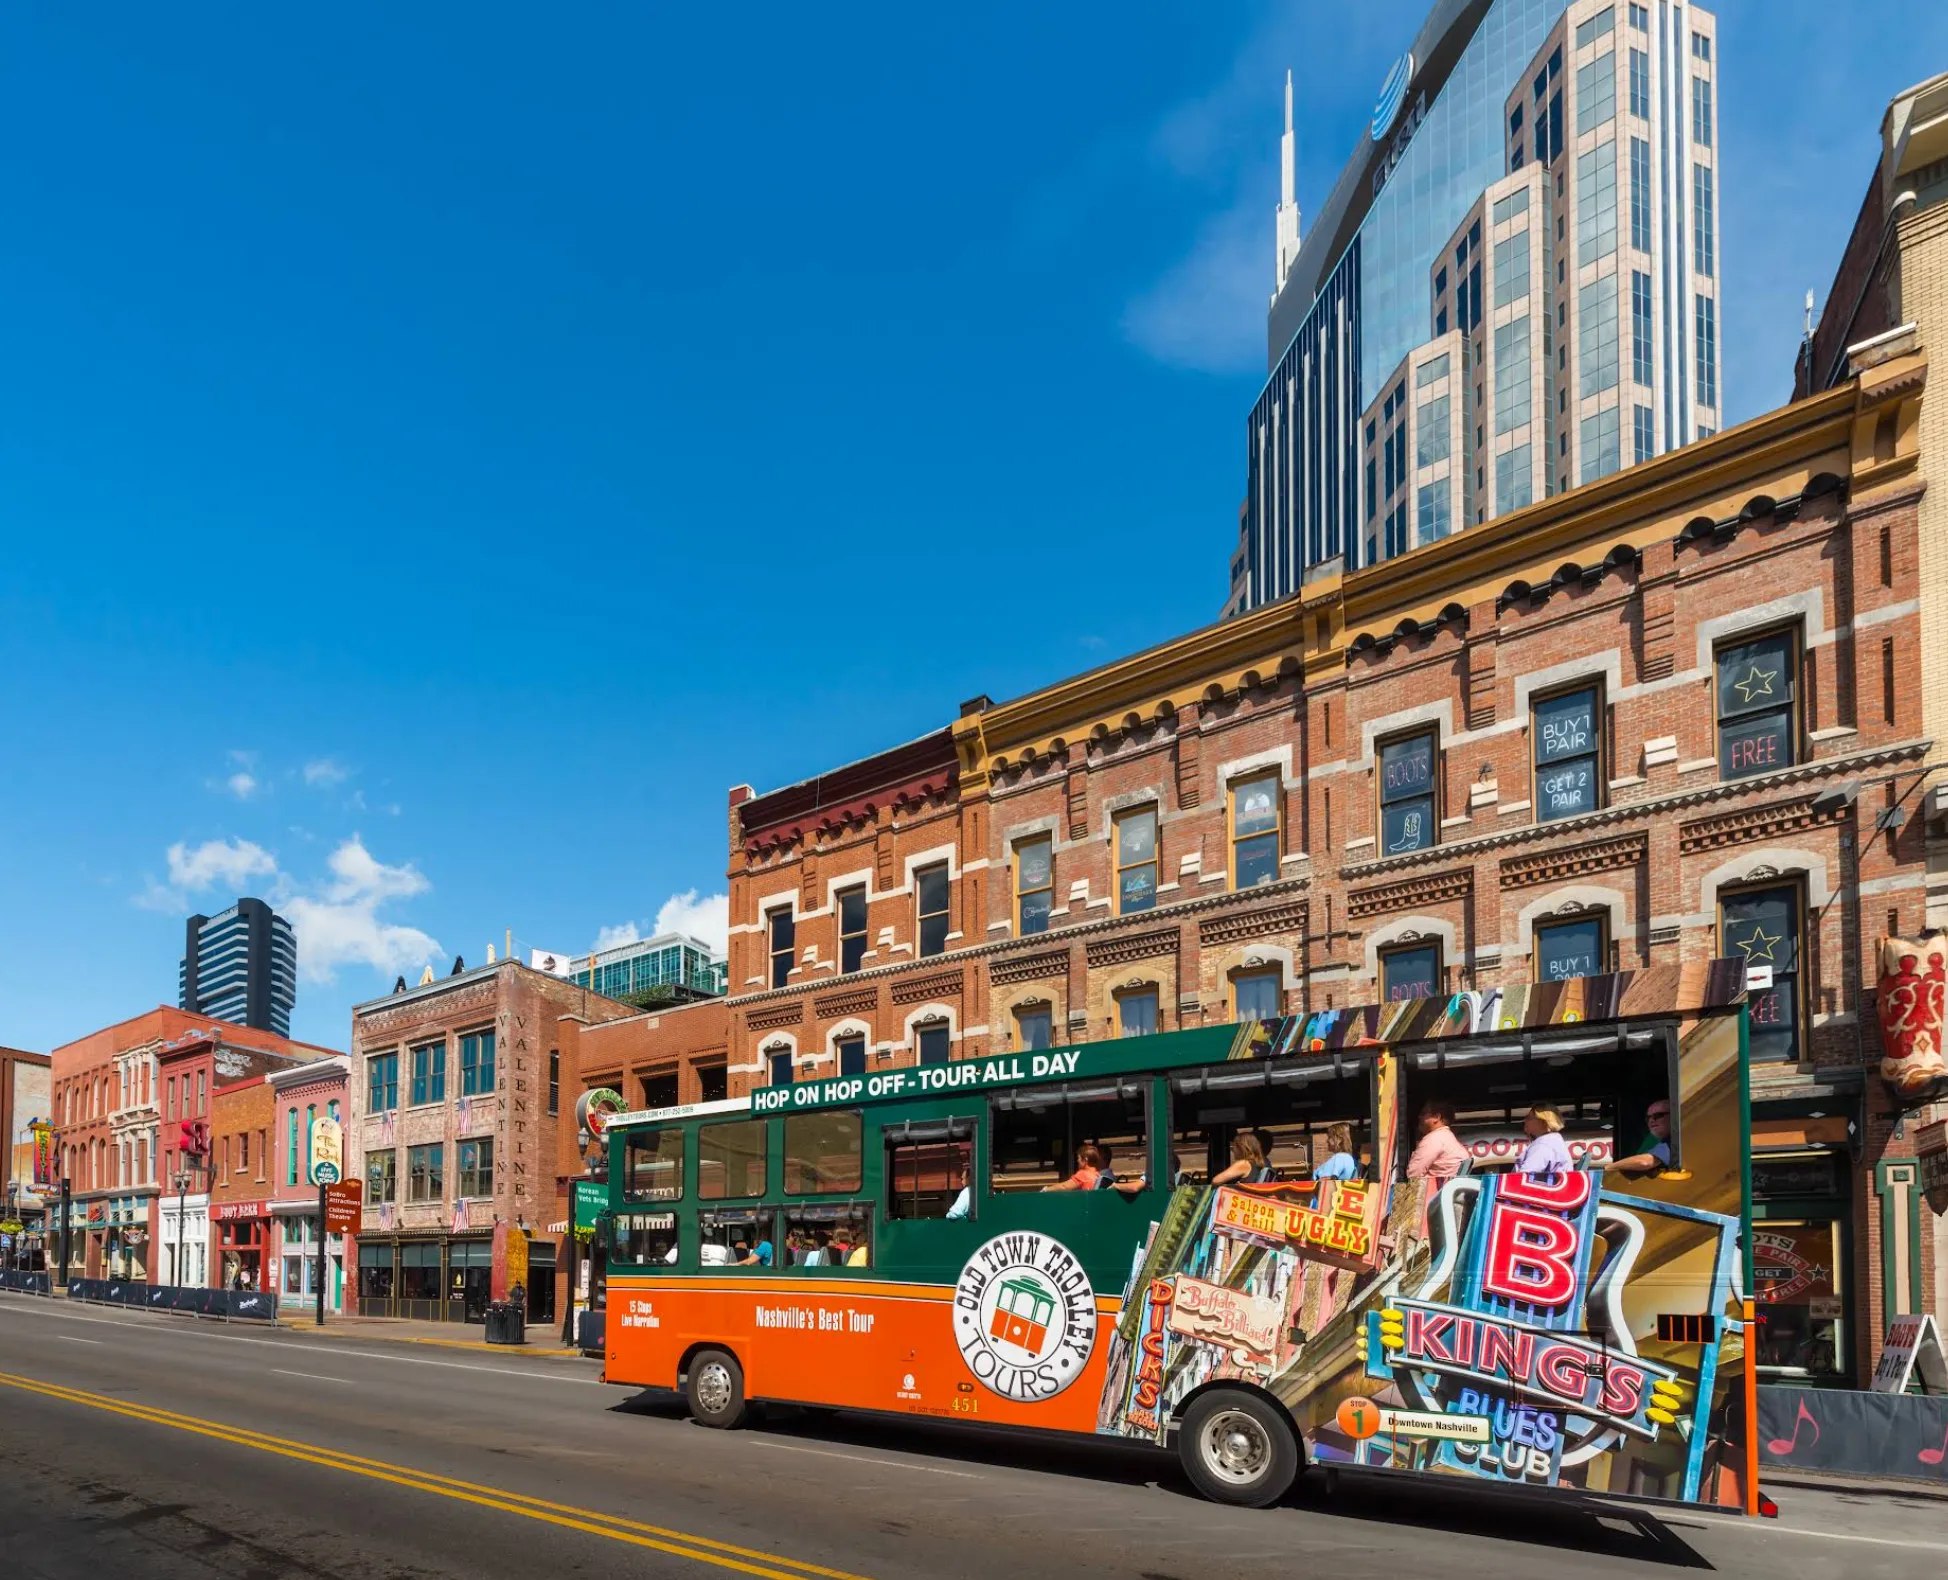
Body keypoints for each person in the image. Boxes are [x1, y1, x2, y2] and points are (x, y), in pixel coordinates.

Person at [1406, 1101, 1470, 1180]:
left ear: (1436, 1117)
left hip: (1434, 1191)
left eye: (1423, 1113)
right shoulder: (1447, 1137)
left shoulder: (1433, 1139)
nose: (1419, 1117)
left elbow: (1414, 1174)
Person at [1606, 1099, 1673, 1174]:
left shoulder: (1674, 1143)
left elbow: (1644, 1162)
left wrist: (1608, 1168)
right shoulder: (1663, 1142)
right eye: (1648, 1118)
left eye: (1657, 1116)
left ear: (1674, 1116)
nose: (1651, 1120)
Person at [1516, 1105, 1574, 1176]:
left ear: (1543, 1122)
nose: (1525, 1121)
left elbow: (1522, 1177)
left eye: (1529, 1118)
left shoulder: (1543, 1145)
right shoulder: (1553, 1140)